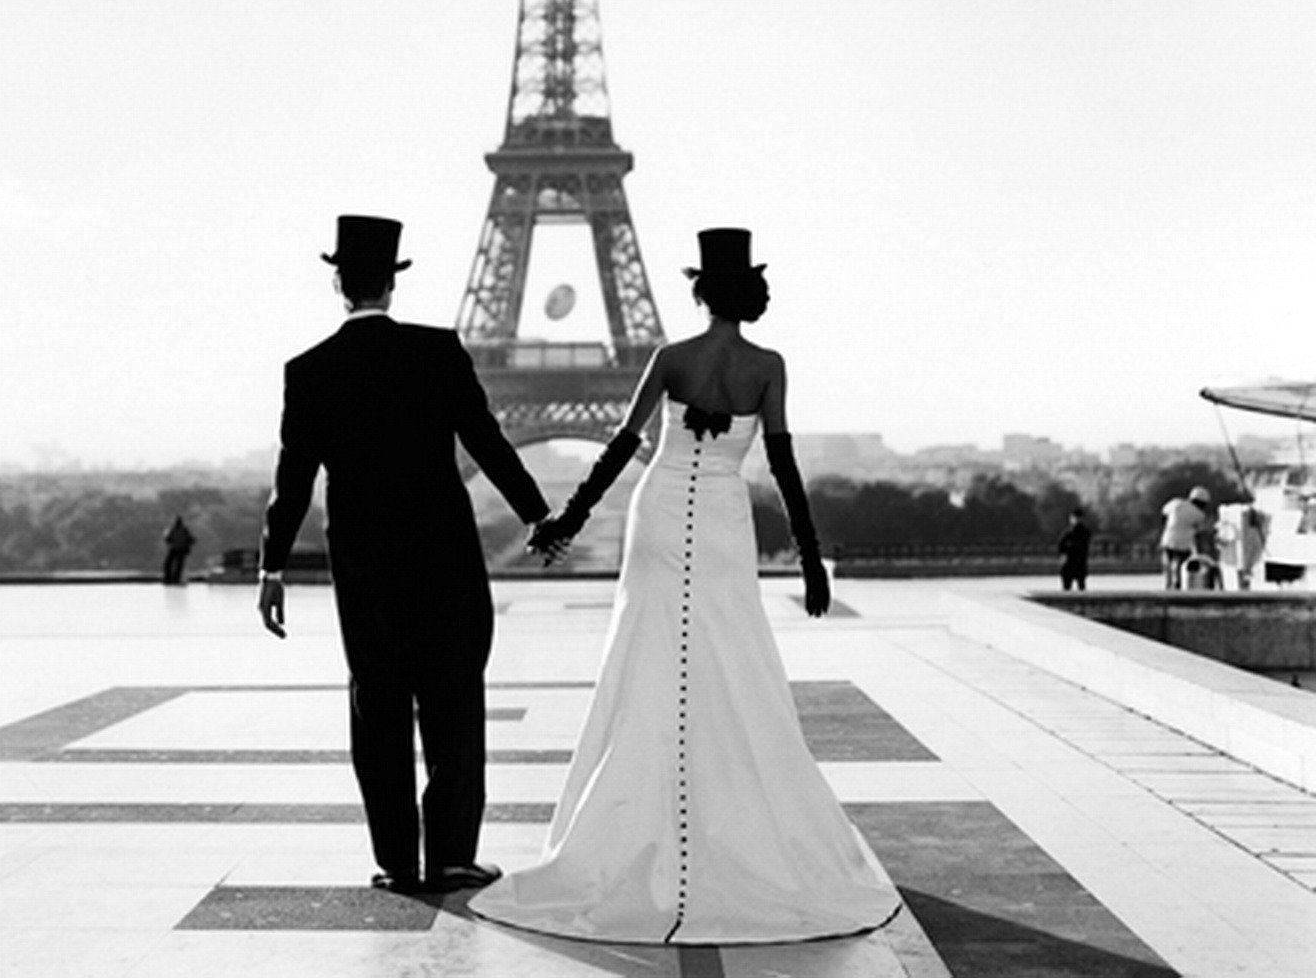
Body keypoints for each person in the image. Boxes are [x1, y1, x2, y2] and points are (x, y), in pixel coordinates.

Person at [469, 229, 899, 945]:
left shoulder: (670, 358)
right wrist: (809, 555)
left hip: (660, 513)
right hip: (725, 519)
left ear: (700, 289)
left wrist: (568, 518)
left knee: (646, 658)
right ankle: (730, 815)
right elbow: (783, 466)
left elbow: (619, 448)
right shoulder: (768, 366)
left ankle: (638, 823)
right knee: (734, 659)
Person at [257, 215, 551, 895]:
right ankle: (451, 855)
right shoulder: (437, 351)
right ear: (392, 283)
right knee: (454, 699)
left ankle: (395, 859)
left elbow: (292, 481)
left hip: (363, 561)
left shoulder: (309, 370)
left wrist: (272, 566)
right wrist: (536, 516)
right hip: (443, 552)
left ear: (338, 283)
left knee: (378, 703)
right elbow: (486, 442)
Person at [1158, 485, 1212, 590]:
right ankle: (1177, 585)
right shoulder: (1199, 515)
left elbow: (1164, 513)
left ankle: (1168, 585)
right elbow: (1199, 532)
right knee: (1180, 564)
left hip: (1167, 539)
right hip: (1183, 543)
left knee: (1167, 564)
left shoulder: (1176, 503)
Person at [1056, 509, 1091, 591]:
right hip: (1071, 564)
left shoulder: (1083, 532)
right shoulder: (1068, 532)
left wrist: (1068, 549)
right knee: (1069, 587)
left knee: (1079, 587)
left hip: (1078, 563)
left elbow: (1080, 546)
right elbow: (1060, 545)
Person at [161, 515, 195, 585]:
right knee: (171, 564)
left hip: (178, 549)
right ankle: (171, 578)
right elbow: (191, 540)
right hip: (177, 549)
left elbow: (167, 539)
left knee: (174, 565)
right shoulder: (179, 529)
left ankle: (173, 578)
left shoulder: (178, 529)